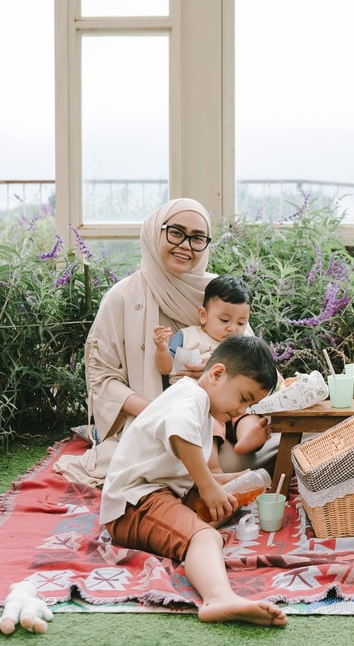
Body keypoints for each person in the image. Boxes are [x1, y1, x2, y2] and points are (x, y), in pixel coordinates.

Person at [54, 198, 277, 485]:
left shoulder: (218, 294)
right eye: (176, 232)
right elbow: (102, 379)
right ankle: (206, 473)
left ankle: (211, 471)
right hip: (151, 418)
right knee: (175, 451)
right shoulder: (122, 297)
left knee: (283, 440)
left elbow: (249, 361)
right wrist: (163, 413)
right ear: (154, 232)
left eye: (197, 238)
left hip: (223, 418)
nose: (186, 245)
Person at [100, 334, 287, 627]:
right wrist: (209, 486)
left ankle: (194, 530)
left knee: (228, 497)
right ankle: (218, 598)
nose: (241, 411)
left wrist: (226, 481)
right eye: (243, 398)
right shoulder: (192, 397)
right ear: (217, 374)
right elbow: (179, 434)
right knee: (205, 536)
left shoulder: (197, 403)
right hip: (133, 504)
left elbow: (188, 467)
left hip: (156, 493)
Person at [154, 275, 272, 469]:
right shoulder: (189, 336)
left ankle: (248, 436)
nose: (232, 328)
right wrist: (162, 349)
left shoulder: (240, 347)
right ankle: (213, 466)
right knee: (209, 423)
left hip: (233, 402)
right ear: (203, 315)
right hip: (203, 403)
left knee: (246, 412)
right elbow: (165, 369)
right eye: (224, 320)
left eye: (241, 323)